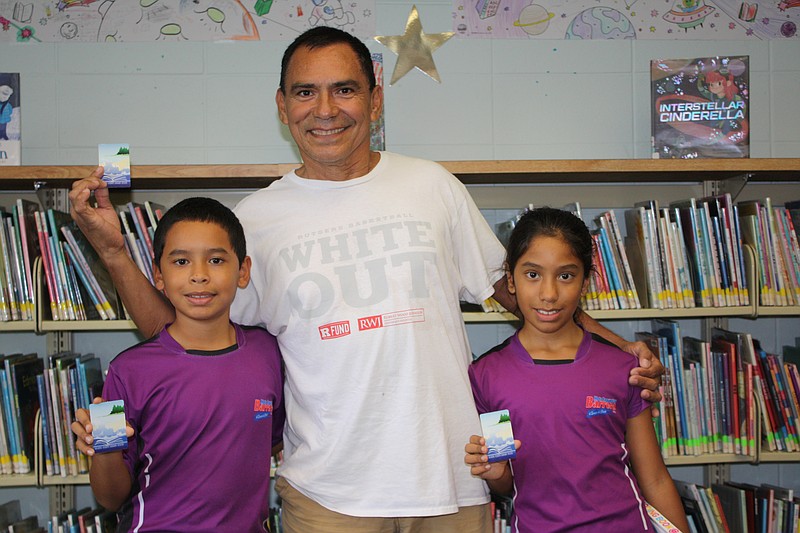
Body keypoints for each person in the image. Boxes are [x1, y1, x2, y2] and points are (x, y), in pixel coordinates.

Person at [69, 27, 663, 532]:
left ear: (374, 101)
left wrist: (615, 348)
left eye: (344, 90)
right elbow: (176, 339)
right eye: (306, 93)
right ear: (282, 106)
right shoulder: (253, 223)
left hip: (452, 483)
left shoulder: (432, 185)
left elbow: (525, 294)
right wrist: (115, 252)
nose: (324, 110)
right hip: (328, 497)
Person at [464, 207, 689, 533]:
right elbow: (505, 482)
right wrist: (495, 471)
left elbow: (654, 478)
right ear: (510, 280)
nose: (549, 293)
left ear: (586, 283)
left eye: (566, 276)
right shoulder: (487, 375)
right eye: (532, 274)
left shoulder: (622, 368)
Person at [71, 197, 284, 533]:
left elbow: (269, 439)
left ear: (242, 271)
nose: (199, 276)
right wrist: (105, 448)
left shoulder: (268, 353)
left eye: (216, 260)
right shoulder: (127, 370)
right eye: (181, 261)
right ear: (159, 275)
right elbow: (111, 498)